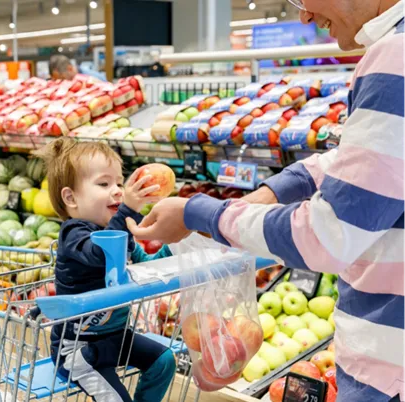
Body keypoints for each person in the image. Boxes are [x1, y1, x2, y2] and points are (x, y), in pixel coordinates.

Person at [128, 1, 405, 401]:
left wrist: (199, 213)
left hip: (390, 371)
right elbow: (365, 160)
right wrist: (275, 190)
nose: (304, 15)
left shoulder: (395, 57)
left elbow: (328, 235)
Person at [34, 137, 177, 402]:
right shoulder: (74, 234)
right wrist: (128, 211)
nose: (118, 191)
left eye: (119, 183)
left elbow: (149, 265)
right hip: (79, 350)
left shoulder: (120, 232)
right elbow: (99, 254)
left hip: (117, 338)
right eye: (104, 184)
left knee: (164, 361)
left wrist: (178, 243)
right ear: (71, 197)